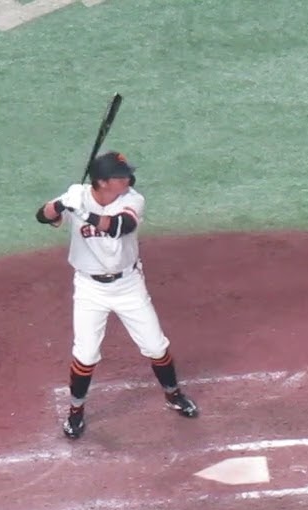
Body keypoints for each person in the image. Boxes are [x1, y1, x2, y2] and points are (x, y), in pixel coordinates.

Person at [36, 150, 198, 439]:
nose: (128, 179)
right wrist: (61, 204)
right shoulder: (77, 195)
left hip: (128, 285)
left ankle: (173, 394)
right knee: (86, 354)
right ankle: (75, 411)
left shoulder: (133, 199)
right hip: (89, 288)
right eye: (121, 176)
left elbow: (121, 227)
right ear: (102, 181)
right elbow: (42, 216)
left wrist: (82, 213)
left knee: (156, 346)